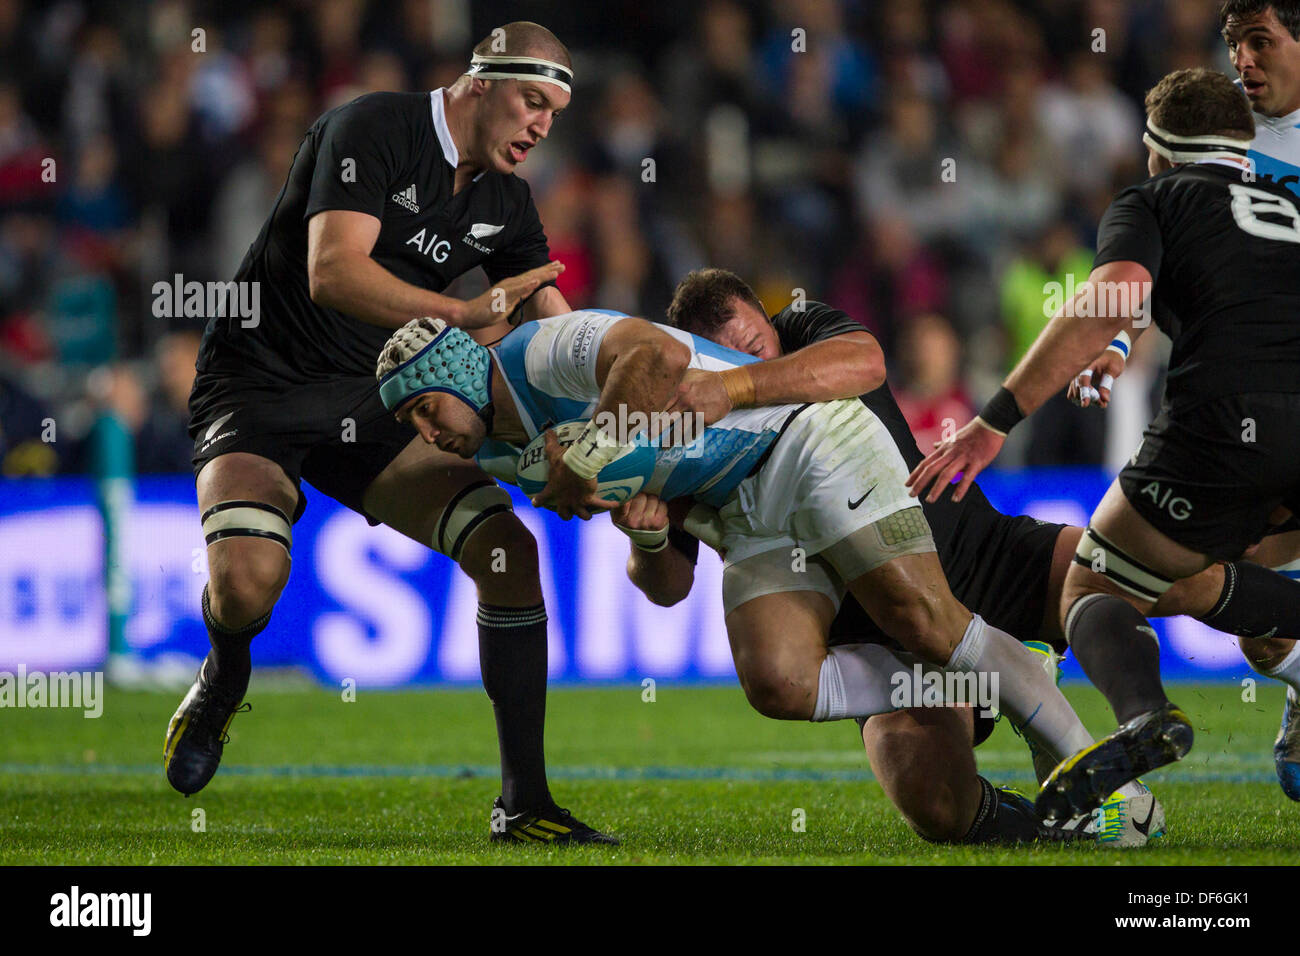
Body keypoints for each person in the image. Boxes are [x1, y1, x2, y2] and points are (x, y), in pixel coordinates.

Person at [376, 308, 1109, 824]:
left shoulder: (540, 352)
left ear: (457, 370)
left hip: (799, 436)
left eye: (423, 407)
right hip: (743, 506)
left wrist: (594, 448)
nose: (426, 431)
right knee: (778, 682)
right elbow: (665, 592)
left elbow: (656, 358)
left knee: (921, 617)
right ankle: (996, 671)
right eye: (409, 424)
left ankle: (1102, 791)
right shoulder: (505, 457)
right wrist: (652, 538)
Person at [167, 21, 615, 844]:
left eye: (555, 111)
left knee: (508, 554)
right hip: (260, 384)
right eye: (530, 101)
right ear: (480, 83)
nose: (542, 125)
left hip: (374, 406)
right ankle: (224, 680)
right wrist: (461, 314)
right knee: (245, 585)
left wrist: (608, 433)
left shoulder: (507, 203)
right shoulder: (371, 126)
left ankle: (523, 804)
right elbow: (331, 270)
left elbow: (562, 328)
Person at [908, 68, 1300, 821]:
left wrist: (993, 421)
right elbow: (1225, 279)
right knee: (1219, 578)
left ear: (1157, 152)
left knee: (1095, 584)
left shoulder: (1153, 198)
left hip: (1226, 423)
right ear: (1242, 149)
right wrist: (1122, 345)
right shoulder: (1286, 203)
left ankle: (1146, 714)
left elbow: (1116, 290)